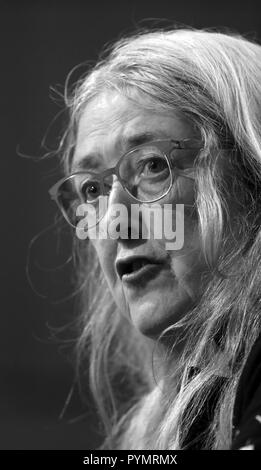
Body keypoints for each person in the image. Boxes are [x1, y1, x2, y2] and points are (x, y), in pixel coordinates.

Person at [48, 28, 261, 450]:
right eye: (92, 190)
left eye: (151, 166)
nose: (112, 223)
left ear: (251, 180)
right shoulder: (170, 422)